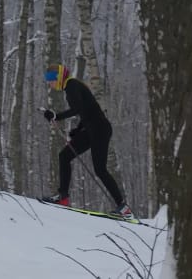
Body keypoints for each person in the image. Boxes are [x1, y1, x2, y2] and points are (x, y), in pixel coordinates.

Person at [42, 64, 133, 218]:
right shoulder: (70, 86)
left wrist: (56, 116)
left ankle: (123, 208)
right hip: (92, 129)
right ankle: (63, 196)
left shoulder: (71, 85)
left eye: (51, 80)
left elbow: (78, 109)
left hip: (100, 130)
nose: (50, 84)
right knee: (64, 156)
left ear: (58, 78)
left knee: (100, 169)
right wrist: (77, 131)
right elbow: (87, 111)